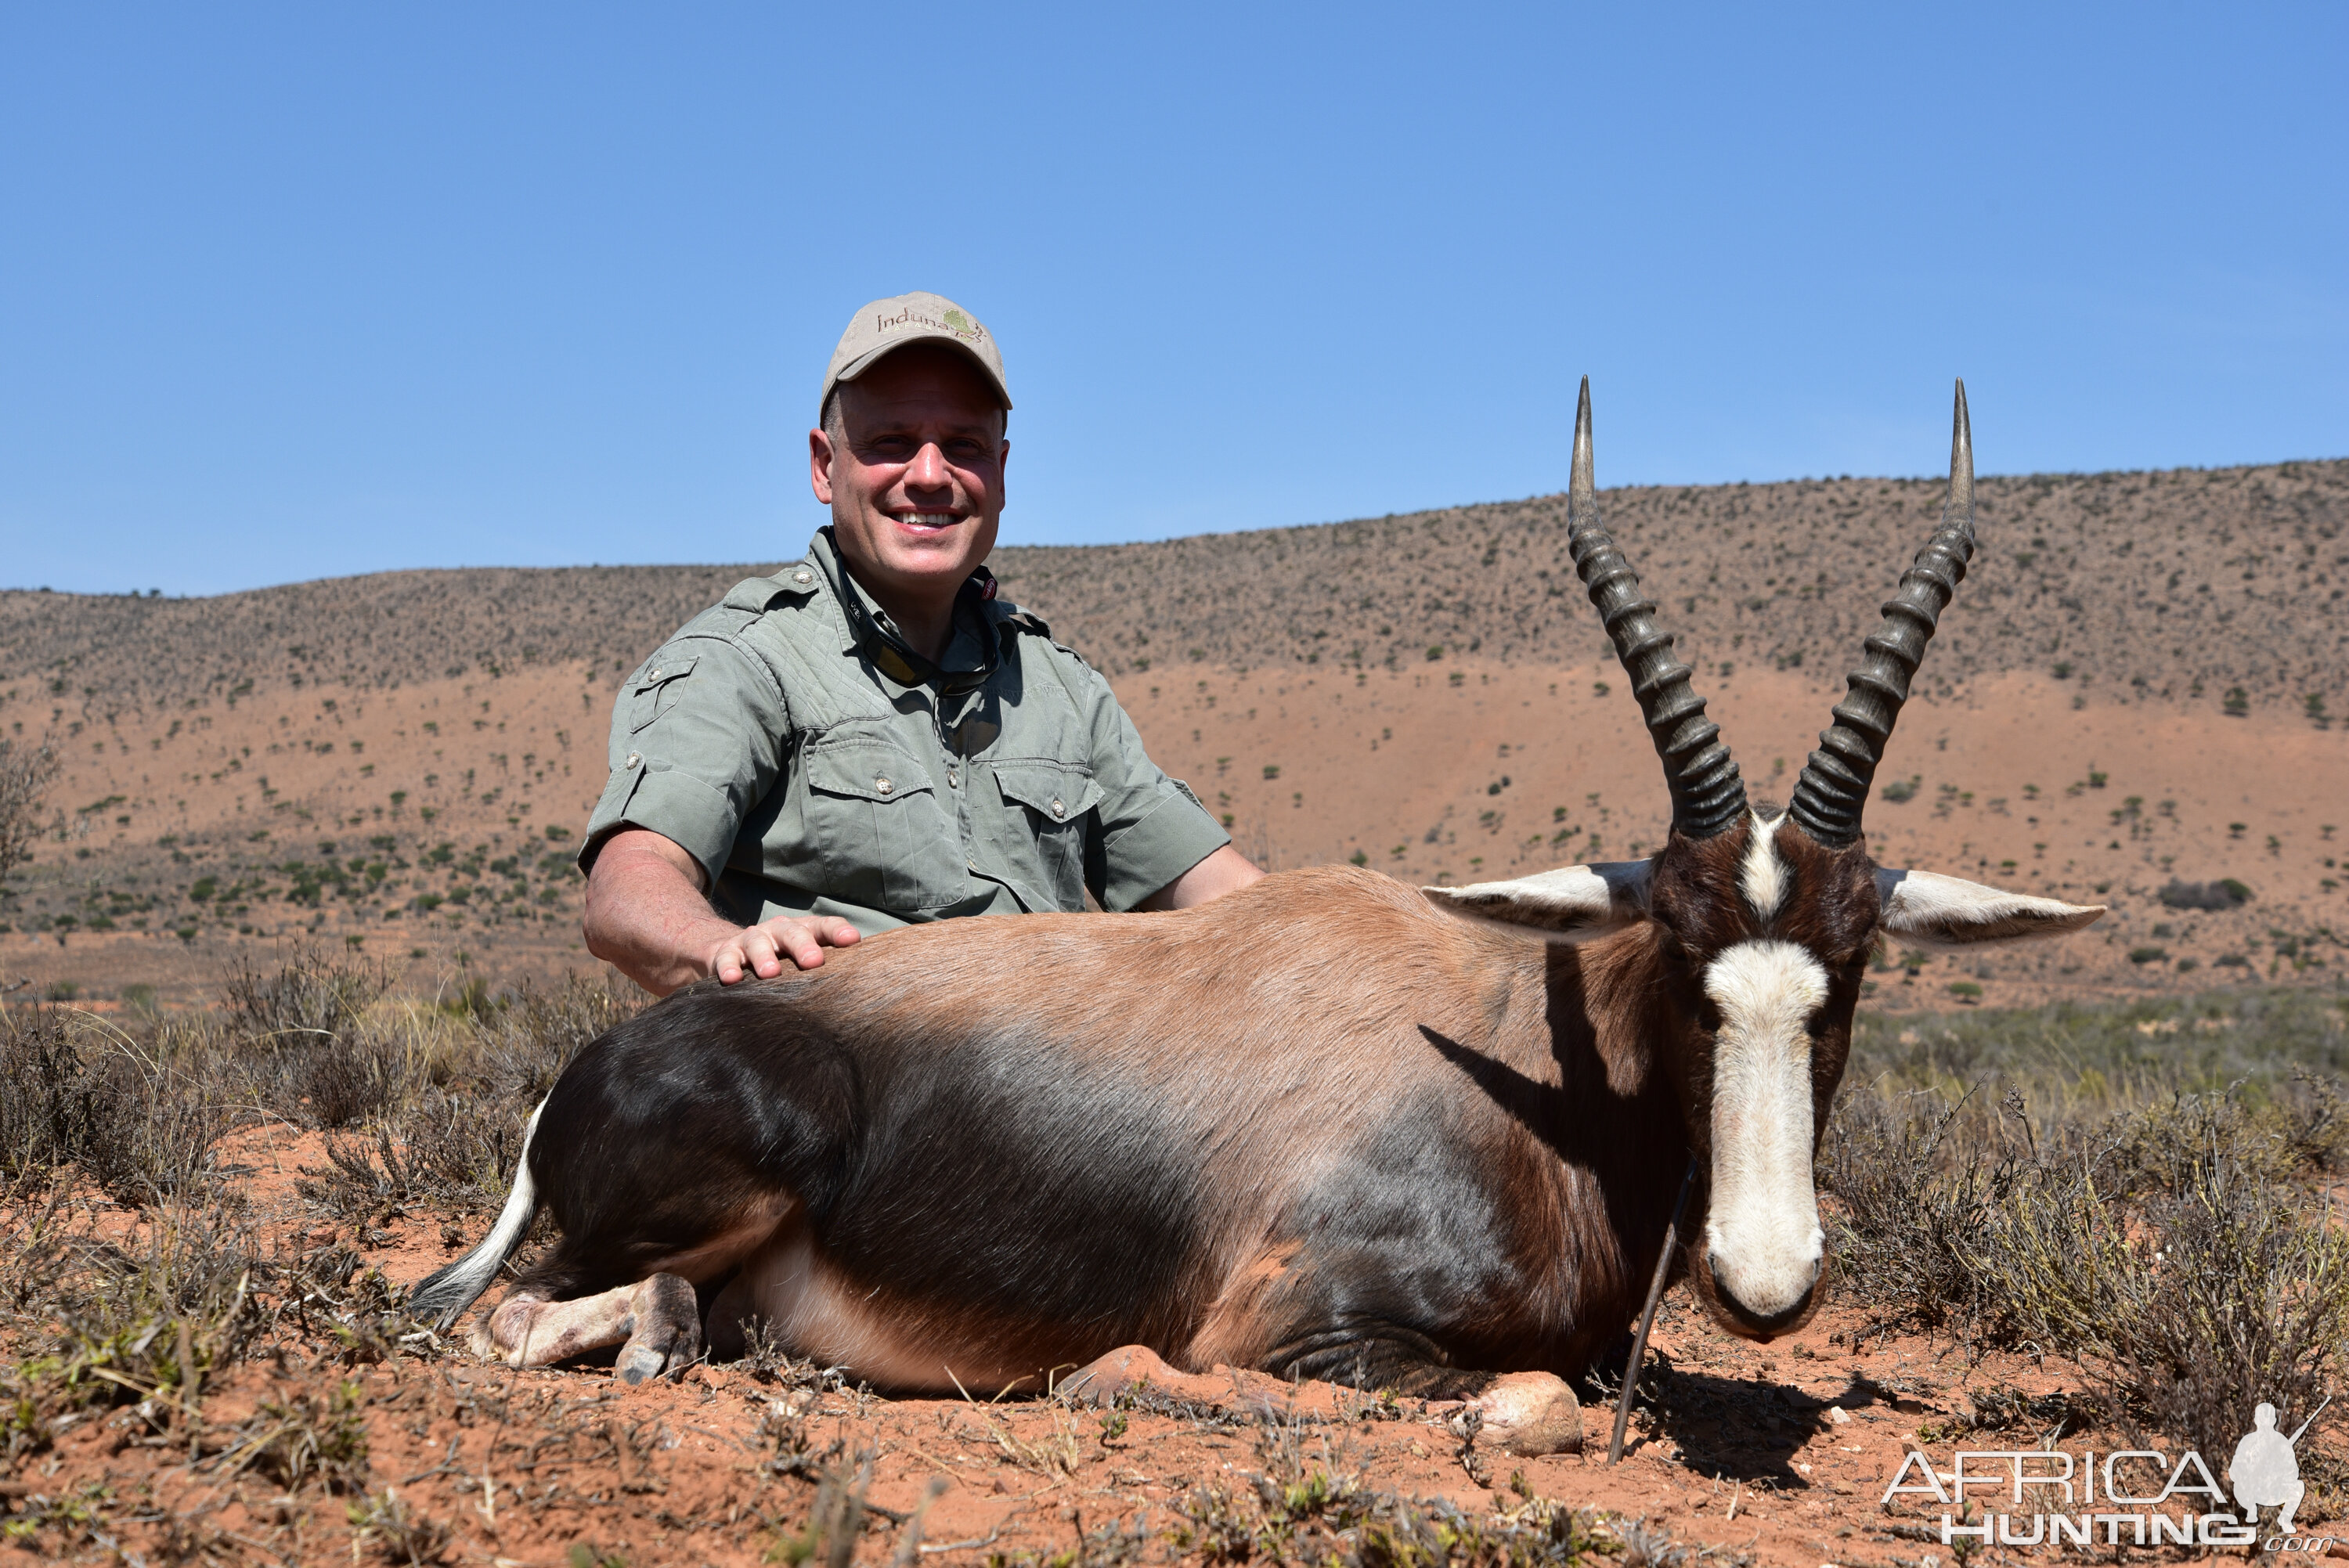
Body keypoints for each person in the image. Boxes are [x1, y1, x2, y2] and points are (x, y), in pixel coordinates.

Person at [578, 291, 1261, 996]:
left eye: (963, 446)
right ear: (824, 466)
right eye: (892, 442)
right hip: (828, 1073)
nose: (930, 475)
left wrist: (1347, 948)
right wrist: (722, 946)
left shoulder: (1061, 688)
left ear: (999, 472)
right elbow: (629, 884)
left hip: (1048, 1077)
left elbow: (1221, 894)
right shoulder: (746, 660)